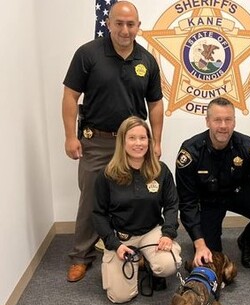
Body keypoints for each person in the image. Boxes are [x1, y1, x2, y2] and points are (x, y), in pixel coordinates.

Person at [62, 1, 164, 282]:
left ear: (138, 27)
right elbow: (70, 96)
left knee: (137, 198)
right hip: (97, 142)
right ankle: (81, 256)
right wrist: (71, 136)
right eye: (119, 23)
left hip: (134, 144)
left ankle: (139, 250)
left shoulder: (146, 60)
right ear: (108, 24)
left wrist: (155, 141)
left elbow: (155, 104)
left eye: (131, 24)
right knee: (91, 199)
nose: (125, 30)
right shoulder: (88, 54)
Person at [175, 97, 250, 269]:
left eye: (228, 119)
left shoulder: (248, 147)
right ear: (207, 122)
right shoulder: (191, 152)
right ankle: (206, 240)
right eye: (217, 120)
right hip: (209, 202)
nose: (223, 125)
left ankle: (247, 242)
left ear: (234, 122)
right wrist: (199, 243)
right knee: (213, 257)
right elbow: (187, 203)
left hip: (238, 194)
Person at [92, 116, 181, 303]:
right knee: (119, 297)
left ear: (149, 141)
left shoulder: (161, 170)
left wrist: (168, 234)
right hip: (121, 237)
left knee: (168, 265)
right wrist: (114, 244)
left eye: (143, 138)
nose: (138, 143)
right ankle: (138, 261)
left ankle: (149, 263)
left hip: (151, 232)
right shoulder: (107, 174)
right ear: (122, 142)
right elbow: (98, 214)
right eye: (132, 138)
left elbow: (172, 205)